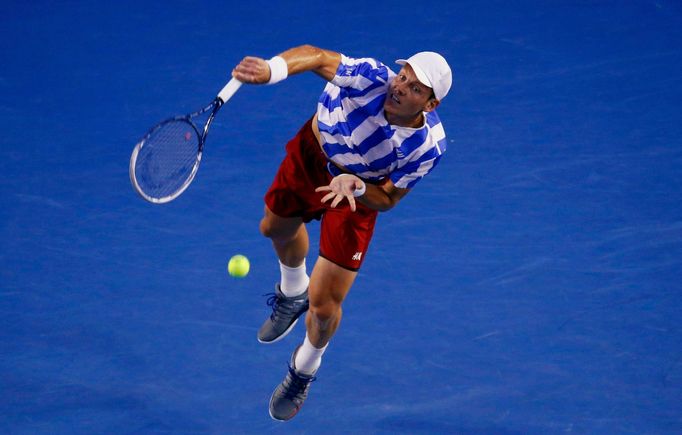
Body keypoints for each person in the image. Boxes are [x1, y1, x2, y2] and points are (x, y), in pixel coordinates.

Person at [231, 44, 452, 421]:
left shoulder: (425, 148)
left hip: (354, 194)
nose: (400, 87)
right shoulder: (369, 77)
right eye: (404, 76)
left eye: (416, 89)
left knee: (324, 307)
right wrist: (272, 69)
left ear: (429, 106)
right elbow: (315, 56)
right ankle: (292, 290)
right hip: (311, 156)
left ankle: (304, 369)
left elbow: (389, 197)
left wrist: (360, 187)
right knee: (273, 228)